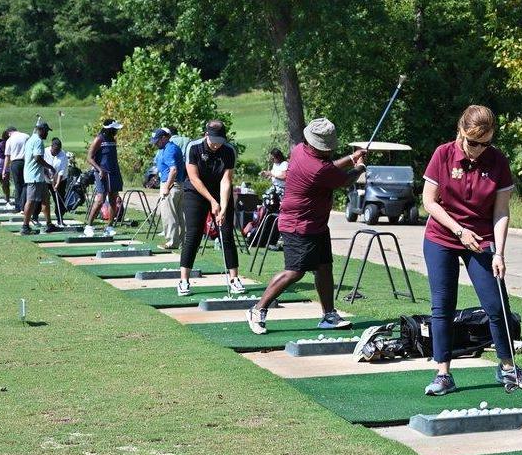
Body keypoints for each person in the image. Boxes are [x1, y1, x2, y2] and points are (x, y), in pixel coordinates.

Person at [421, 105, 522, 396]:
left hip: (483, 240)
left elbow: (501, 211)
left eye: (484, 143)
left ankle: (507, 368)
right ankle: (443, 374)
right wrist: (459, 231)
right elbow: (429, 202)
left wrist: (499, 252)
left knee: (497, 305)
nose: (477, 150)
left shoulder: (498, 161)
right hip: (443, 237)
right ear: (461, 131)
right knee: (442, 306)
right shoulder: (443, 154)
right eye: (472, 142)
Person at [245, 117, 367, 335]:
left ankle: (328, 315)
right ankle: (257, 309)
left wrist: (350, 158)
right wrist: (359, 166)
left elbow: (328, 168)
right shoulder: (318, 169)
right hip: (298, 224)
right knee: (295, 272)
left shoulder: (300, 149)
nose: (328, 150)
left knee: (323, 266)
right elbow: (343, 179)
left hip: (315, 223)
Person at [177, 120, 246, 296]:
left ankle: (234, 279)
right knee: (193, 234)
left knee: (226, 233)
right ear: (206, 135)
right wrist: (212, 202)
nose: (216, 144)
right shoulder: (193, 147)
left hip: (220, 191)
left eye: (220, 140)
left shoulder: (229, 150)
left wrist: (222, 206)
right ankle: (184, 280)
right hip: (195, 192)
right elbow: (194, 178)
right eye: (213, 140)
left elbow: (226, 180)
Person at [85, 119, 124, 237]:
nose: (117, 130)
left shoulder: (112, 139)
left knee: (113, 199)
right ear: (109, 129)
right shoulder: (99, 139)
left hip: (114, 172)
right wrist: (99, 169)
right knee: (101, 200)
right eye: (115, 129)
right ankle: (89, 226)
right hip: (101, 172)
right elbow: (89, 158)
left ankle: (110, 226)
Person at [151, 127, 186, 249]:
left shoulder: (170, 149)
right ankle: (182, 241)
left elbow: (173, 170)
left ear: (164, 138)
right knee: (178, 215)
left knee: (169, 215)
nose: (155, 143)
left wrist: (166, 187)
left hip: (171, 185)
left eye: (157, 141)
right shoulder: (165, 148)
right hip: (173, 184)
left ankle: (171, 242)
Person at [21, 121, 58, 235]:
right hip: (34, 177)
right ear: (41, 130)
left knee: (46, 199)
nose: (47, 134)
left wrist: (45, 170)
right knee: (31, 201)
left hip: (38, 176)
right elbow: (37, 158)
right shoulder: (38, 141)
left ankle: (49, 224)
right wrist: (50, 166)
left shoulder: (32, 139)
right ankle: (25, 226)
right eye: (46, 131)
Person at [3, 126, 30, 212]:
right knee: (25, 184)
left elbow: (7, 156)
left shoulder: (10, 140)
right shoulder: (26, 136)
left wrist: (4, 170)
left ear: (9, 133)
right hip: (26, 162)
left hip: (15, 162)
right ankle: (25, 205)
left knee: (18, 185)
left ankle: (18, 207)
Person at [44, 138, 69, 226]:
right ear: (51, 147)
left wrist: (57, 184)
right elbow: (43, 166)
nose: (56, 152)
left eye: (58, 150)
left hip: (61, 181)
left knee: (59, 199)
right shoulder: (45, 152)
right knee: (42, 199)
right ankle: (35, 217)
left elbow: (61, 172)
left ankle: (60, 219)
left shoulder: (63, 155)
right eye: (55, 150)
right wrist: (49, 178)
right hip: (46, 180)